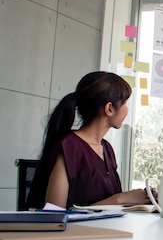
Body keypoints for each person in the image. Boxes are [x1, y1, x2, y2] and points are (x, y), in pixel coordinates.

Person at [27, 71, 152, 209]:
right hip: (80, 231)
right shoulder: (70, 147)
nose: (127, 110)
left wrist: (142, 199)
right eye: (125, 103)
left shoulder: (107, 148)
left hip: (111, 229)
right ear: (109, 108)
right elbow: (55, 214)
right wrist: (119, 199)